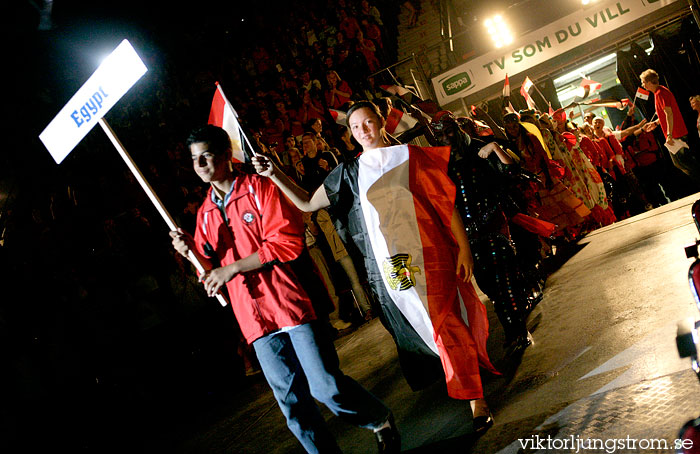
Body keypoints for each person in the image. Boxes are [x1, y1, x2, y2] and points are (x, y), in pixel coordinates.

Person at [253, 100, 498, 436]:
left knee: (447, 323)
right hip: (391, 272)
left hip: (432, 258)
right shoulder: (349, 174)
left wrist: (464, 248)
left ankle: (475, 398)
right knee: (425, 328)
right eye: (356, 127)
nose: (363, 131)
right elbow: (308, 203)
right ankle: (461, 375)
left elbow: (446, 203)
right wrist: (275, 174)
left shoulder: (411, 157)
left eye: (368, 123)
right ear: (350, 133)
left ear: (381, 121)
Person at [170, 125, 400, 454]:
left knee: (326, 386)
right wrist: (190, 250)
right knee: (292, 406)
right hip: (254, 318)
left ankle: (378, 417)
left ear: (225, 156)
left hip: (289, 303)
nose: (201, 164)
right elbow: (208, 271)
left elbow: (285, 243)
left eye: (207, 156)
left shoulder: (259, 189)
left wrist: (232, 267)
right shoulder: (204, 214)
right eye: (195, 159)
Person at [430, 111, 534, 354]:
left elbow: (512, 172)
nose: (447, 138)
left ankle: (517, 331)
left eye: (450, 131)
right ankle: (513, 328)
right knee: (489, 286)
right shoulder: (438, 163)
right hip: (467, 236)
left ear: (457, 128)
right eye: (441, 135)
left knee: (505, 281)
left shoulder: (480, 148)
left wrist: (495, 149)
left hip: (494, 223)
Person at [641, 68, 700, 184]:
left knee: (686, 163)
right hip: (676, 133)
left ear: (648, 82)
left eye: (643, 82)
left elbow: (669, 114)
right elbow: (665, 114)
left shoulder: (660, 93)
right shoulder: (659, 92)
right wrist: (656, 123)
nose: (643, 85)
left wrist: (669, 134)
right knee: (683, 163)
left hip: (676, 134)